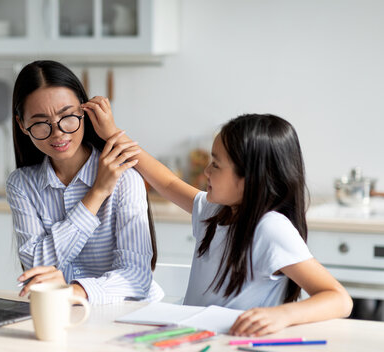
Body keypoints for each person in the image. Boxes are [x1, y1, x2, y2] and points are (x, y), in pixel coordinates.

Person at [82, 98, 353, 336]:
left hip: (239, 347)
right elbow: (166, 182)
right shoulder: (214, 211)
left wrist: (282, 315)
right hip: (197, 340)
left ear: (250, 179)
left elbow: (339, 299)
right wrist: (113, 134)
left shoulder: (271, 228)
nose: (207, 172)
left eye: (216, 164)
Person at [6, 60, 163, 305]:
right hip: (65, 317)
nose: (58, 132)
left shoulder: (125, 178)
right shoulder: (22, 184)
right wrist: (97, 192)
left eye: (67, 116)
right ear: (22, 125)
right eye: (39, 122)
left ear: (84, 111)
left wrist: (71, 292)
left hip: (126, 319)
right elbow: (37, 267)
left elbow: (136, 277)